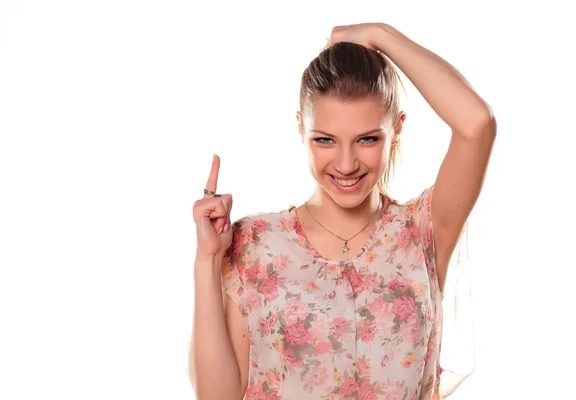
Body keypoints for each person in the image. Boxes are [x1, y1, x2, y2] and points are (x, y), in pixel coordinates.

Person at [188, 22, 496, 400]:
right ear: (301, 129)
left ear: (397, 129)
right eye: (325, 140)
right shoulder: (255, 245)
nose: (346, 164)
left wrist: (380, 34)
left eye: (367, 138)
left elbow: (477, 123)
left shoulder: (421, 231)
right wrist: (207, 259)